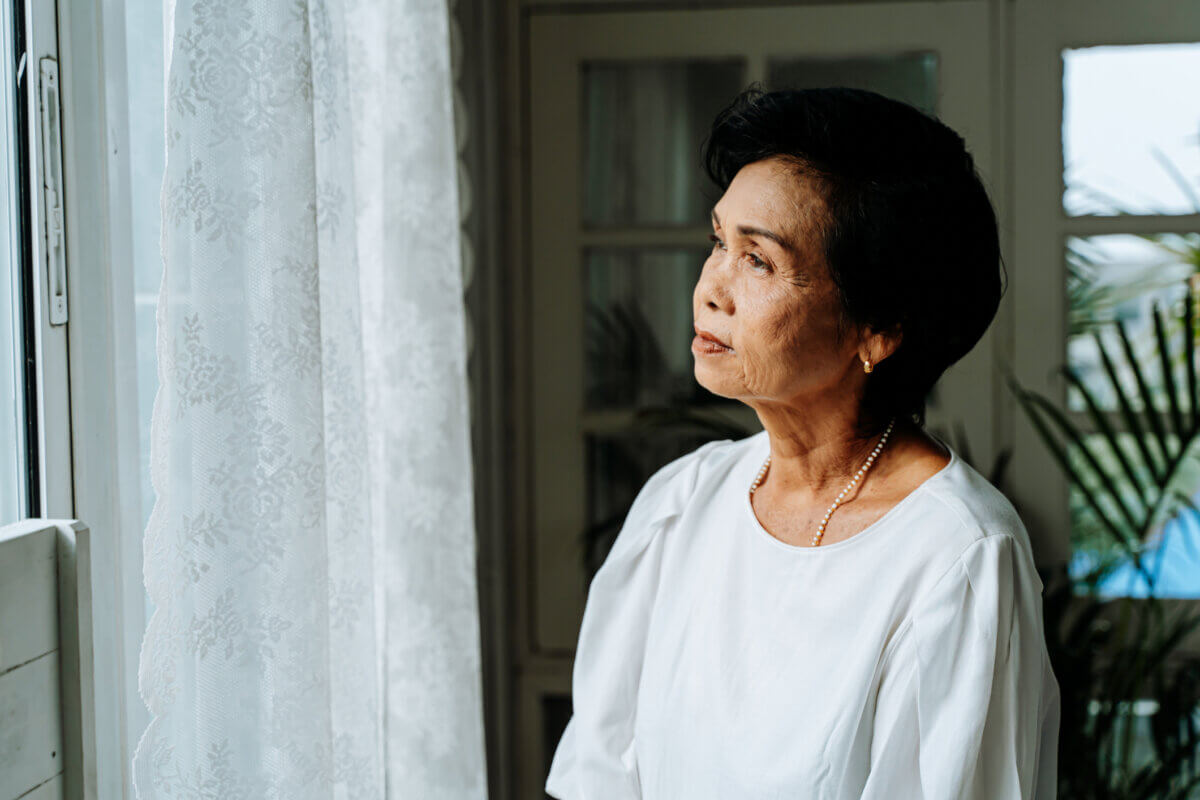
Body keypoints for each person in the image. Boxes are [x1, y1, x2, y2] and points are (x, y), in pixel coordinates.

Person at [544, 86, 1060, 799]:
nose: (709, 289)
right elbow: (598, 776)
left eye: (758, 261)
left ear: (878, 327)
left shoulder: (959, 556)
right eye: (719, 242)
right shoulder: (681, 502)